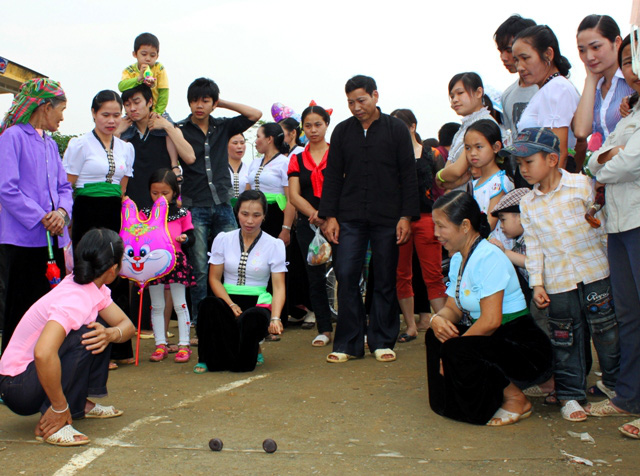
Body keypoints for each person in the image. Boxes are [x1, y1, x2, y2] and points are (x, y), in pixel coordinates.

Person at [512, 127, 620, 422]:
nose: (523, 169)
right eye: (519, 164)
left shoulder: (582, 186)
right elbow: (533, 246)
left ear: (551, 159)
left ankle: (613, 383)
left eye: (528, 162)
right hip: (558, 283)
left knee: (607, 331)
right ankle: (571, 395)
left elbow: (603, 227)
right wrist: (537, 284)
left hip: (596, 272)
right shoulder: (528, 203)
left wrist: (615, 267)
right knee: (565, 339)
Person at [426, 191, 552, 426]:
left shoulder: (488, 256)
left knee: (456, 349)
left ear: (464, 226)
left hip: (520, 345)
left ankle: (515, 397)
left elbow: (491, 321)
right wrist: (437, 320)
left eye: (441, 227)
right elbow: (453, 306)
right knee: (437, 337)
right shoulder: (458, 258)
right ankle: (458, 402)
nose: (436, 234)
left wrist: (450, 351)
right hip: (492, 340)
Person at [0, 229, 135, 446]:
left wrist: (110, 334)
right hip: (17, 386)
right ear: (112, 270)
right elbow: (43, 353)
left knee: (101, 330)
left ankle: (79, 403)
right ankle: (54, 419)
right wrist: (59, 407)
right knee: (87, 335)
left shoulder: (92, 287)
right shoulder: (75, 298)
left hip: (28, 379)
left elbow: (127, 326)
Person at [319, 74, 419, 363]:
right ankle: (349, 343)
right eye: (350, 102)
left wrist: (406, 216)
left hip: (388, 217)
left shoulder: (396, 129)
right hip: (349, 216)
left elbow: (407, 176)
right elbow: (333, 176)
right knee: (346, 274)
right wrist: (330, 216)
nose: (356, 107)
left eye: (361, 100)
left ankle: (382, 341)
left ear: (376, 96)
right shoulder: (341, 131)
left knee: (385, 277)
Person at [585, 34, 640, 439]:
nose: (630, 67)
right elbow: (594, 159)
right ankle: (629, 395)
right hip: (619, 224)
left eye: (633, 58)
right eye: (626, 61)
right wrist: (609, 157)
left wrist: (609, 159)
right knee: (628, 315)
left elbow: (629, 162)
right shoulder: (629, 111)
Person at [177, 77, 261, 326]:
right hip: (195, 206)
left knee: (234, 261)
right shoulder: (181, 129)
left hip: (224, 204)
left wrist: (221, 102)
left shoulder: (223, 126)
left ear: (213, 102)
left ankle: (236, 315)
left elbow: (255, 114)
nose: (199, 105)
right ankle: (200, 321)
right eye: (194, 100)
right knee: (200, 267)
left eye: (205, 100)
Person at [0, 78, 72, 351]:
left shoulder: (51, 144)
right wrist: (44, 216)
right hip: (21, 241)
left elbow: (65, 187)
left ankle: (41, 372)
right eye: (61, 109)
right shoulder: (12, 137)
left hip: (51, 240)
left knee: (48, 311)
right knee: (20, 311)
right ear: (44, 107)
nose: (63, 117)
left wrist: (62, 213)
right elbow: (6, 189)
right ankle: (11, 377)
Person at [194, 190, 285, 373]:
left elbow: (278, 286)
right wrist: (230, 303)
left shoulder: (275, 245)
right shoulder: (223, 239)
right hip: (227, 299)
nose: (249, 221)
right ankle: (205, 357)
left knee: (251, 322)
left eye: (256, 215)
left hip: (258, 304)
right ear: (237, 213)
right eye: (244, 214)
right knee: (208, 305)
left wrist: (275, 318)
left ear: (264, 216)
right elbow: (214, 279)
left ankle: (251, 350)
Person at [389, 109, 446, 342]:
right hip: (398, 220)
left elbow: (442, 188)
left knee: (433, 274)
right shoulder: (389, 156)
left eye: (399, 127)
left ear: (412, 126)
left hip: (426, 218)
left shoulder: (432, 154)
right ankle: (411, 326)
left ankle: (444, 323)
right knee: (402, 274)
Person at [63, 90, 133, 251]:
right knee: (87, 263)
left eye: (116, 115)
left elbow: (122, 189)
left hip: (114, 213)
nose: (111, 121)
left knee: (111, 264)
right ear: (94, 113)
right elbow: (66, 185)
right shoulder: (80, 144)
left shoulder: (126, 148)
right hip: (86, 211)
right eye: (106, 115)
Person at [288, 105, 334, 346]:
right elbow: (294, 196)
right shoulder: (295, 159)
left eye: (318, 124)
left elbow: (344, 189)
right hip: (308, 226)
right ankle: (324, 329)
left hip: (338, 222)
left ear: (327, 125)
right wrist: (316, 215)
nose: (313, 130)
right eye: (308, 125)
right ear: (302, 128)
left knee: (347, 275)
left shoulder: (338, 154)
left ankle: (352, 325)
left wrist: (329, 217)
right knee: (315, 277)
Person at [143, 169, 196, 363]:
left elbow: (192, 237)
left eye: (165, 193)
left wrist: (185, 238)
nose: (159, 197)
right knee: (156, 305)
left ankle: (184, 345)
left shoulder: (183, 214)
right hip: (153, 264)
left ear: (174, 191)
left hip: (176, 262)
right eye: (154, 193)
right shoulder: (145, 214)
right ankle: (160, 344)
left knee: (180, 304)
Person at [512, 25, 581, 170]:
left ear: (548, 54)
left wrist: (551, 191)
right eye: (517, 60)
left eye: (525, 58)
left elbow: (558, 153)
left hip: (552, 181)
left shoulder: (557, 88)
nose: (520, 67)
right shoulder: (547, 89)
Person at [573, 15, 631, 170]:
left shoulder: (632, 81)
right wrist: (590, 79)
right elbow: (581, 131)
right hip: (603, 177)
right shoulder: (595, 87)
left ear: (617, 42)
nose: (589, 57)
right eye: (582, 50)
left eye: (596, 47)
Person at [436, 72, 502, 190]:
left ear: (478, 92)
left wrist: (438, 175)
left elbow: (456, 171)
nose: (455, 100)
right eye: (452, 96)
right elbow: (448, 174)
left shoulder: (484, 124)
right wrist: (444, 178)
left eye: (460, 93)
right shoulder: (464, 127)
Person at [465, 119, 515, 248]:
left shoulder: (500, 181)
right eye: (468, 148)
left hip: (496, 250)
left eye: (479, 147)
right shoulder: (474, 184)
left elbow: (489, 224)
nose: (473, 153)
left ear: (496, 147)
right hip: (479, 247)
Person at [494, 15, 538, 141]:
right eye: (500, 51)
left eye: (508, 50)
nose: (503, 57)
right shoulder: (508, 95)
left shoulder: (553, 88)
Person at [118, 32, 169, 115]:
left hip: (157, 112)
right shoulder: (129, 70)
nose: (148, 59)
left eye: (152, 55)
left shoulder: (159, 68)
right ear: (135, 54)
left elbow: (164, 92)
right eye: (144, 54)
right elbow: (121, 86)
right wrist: (139, 78)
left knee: (171, 126)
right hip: (134, 113)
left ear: (157, 56)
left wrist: (157, 112)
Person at [228, 133, 249, 201]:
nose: (239, 146)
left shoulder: (250, 168)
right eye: (235, 143)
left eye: (242, 143)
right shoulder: (219, 169)